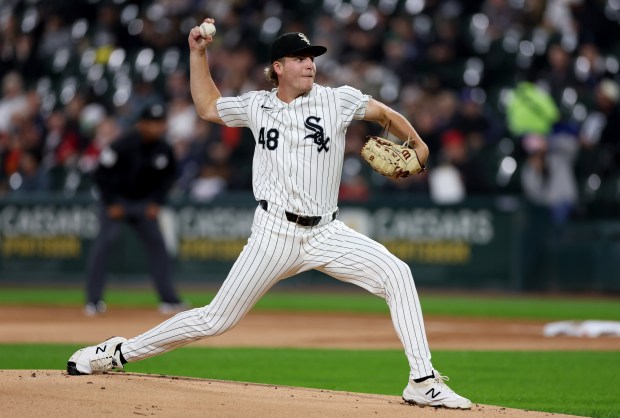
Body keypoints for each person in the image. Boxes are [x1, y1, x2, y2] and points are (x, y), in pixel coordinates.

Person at [67, 19, 472, 410]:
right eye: (299, 57)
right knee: (214, 320)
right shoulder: (257, 106)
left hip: (327, 232)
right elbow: (208, 105)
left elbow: (385, 115)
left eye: (311, 56)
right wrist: (198, 54)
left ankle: (423, 381)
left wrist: (417, 143)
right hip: (274, 233)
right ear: (278, 68)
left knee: (397, 274)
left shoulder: (338, 99)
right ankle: (116, 352)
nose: (309, 62)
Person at [84, 103, 185, 316]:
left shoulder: (164, 149)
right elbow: (100, 174)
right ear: (141, 124)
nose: (157, 127)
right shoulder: (122, 144)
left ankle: (169, 300)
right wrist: (111, 203)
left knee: (158, 246)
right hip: (116, 202)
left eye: (160, 123)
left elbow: (168, 179)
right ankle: (93, 301)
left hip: (143, 205)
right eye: (152, 123)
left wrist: (156, 202)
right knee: (104, 244)